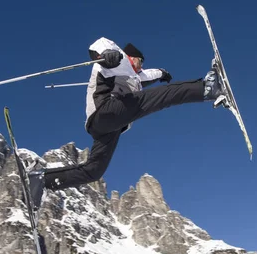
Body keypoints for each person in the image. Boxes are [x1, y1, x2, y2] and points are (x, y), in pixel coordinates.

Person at [27, 37, 226, 207]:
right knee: (165, 96)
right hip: (105, 111)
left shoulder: (135, 77)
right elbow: (100, 46)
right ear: (131, 56)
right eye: (140, 61)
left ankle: (42, 179)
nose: (141, 65)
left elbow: (148, 75)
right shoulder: (116, 61)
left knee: (94, 171)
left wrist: (163, 73)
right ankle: (208, 88)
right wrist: (106, 55)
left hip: (108, 127)